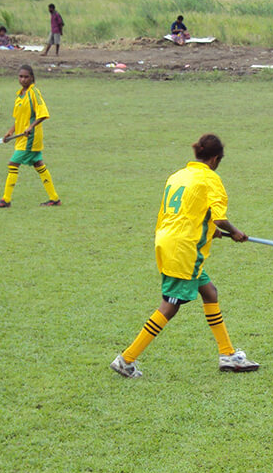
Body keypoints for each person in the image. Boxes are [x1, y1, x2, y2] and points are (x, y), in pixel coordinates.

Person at [110, 133, 259, 377]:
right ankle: (126, 359)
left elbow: (188, 212)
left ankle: (228, 354)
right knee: (170, 306)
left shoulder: (178, 176)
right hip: (185, 249)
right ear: (214, 159)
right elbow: (219, 217)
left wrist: (212, 233)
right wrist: (235, 232)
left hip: (168, 240)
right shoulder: (211, 179)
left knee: (209, 292)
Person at [0, 65, 61, 208]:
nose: (23, 79)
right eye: (20, 76)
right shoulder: (20, 94)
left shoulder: (34, 93)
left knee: (13, 164)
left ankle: (5, 200)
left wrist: (31, 127)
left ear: (32, 78)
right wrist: (10, 131)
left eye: (26, 77)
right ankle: (54, 198)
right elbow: (19, 118)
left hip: (31, 138)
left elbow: (43, 113)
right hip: (22, 137)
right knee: (38, 165)